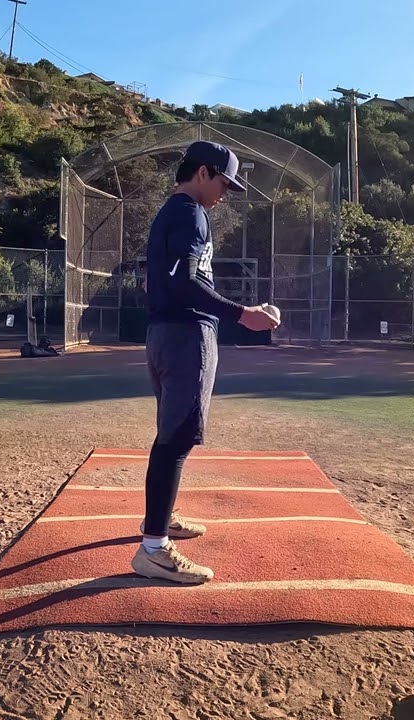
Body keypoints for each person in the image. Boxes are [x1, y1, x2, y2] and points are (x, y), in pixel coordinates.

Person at [131, 140, 279, 584]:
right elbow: (187, 284)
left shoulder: (169, 214)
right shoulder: (190, 214)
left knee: (171, 432)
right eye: (223, 183)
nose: (224, 193)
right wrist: (243, 314)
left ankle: (162, 517)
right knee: (176, 438)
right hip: (185, 337)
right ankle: (154, 547)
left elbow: (156, 280)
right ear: (203, 173)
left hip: (163, 334)